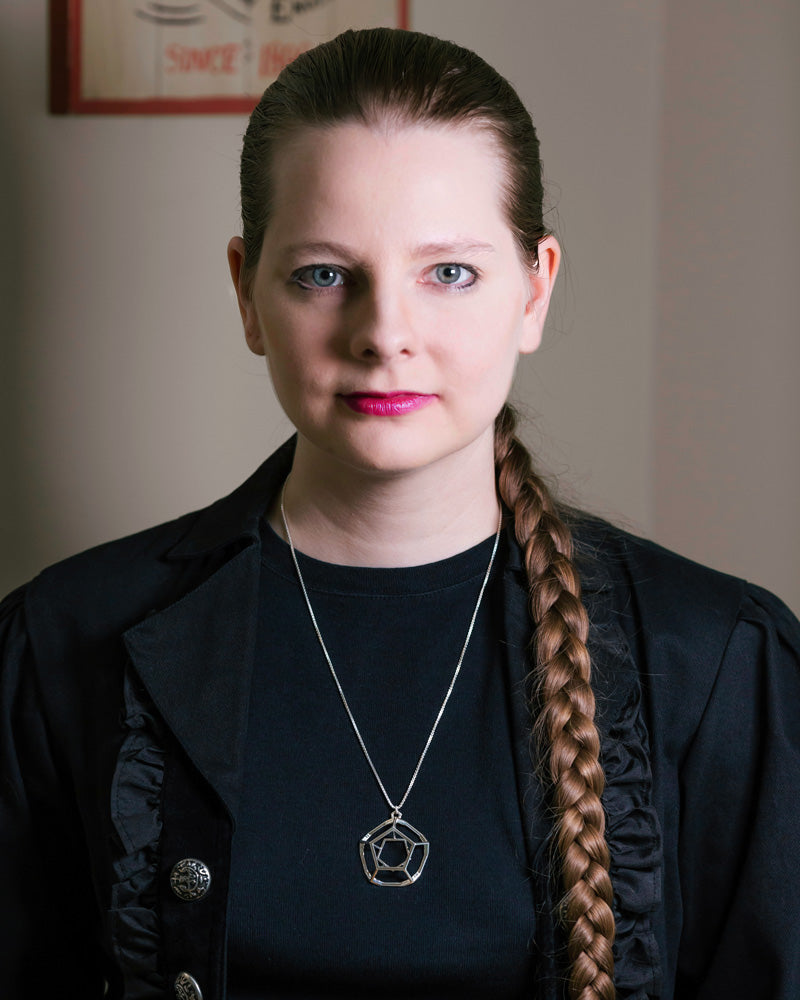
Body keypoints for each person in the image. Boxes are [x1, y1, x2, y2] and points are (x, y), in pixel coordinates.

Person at [1, 26, 798, 1000]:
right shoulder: (62, 643)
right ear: (247, 294)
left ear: (534, 290)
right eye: (324, 274)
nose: (384, 334)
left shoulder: (720, 662)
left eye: (448, 272)